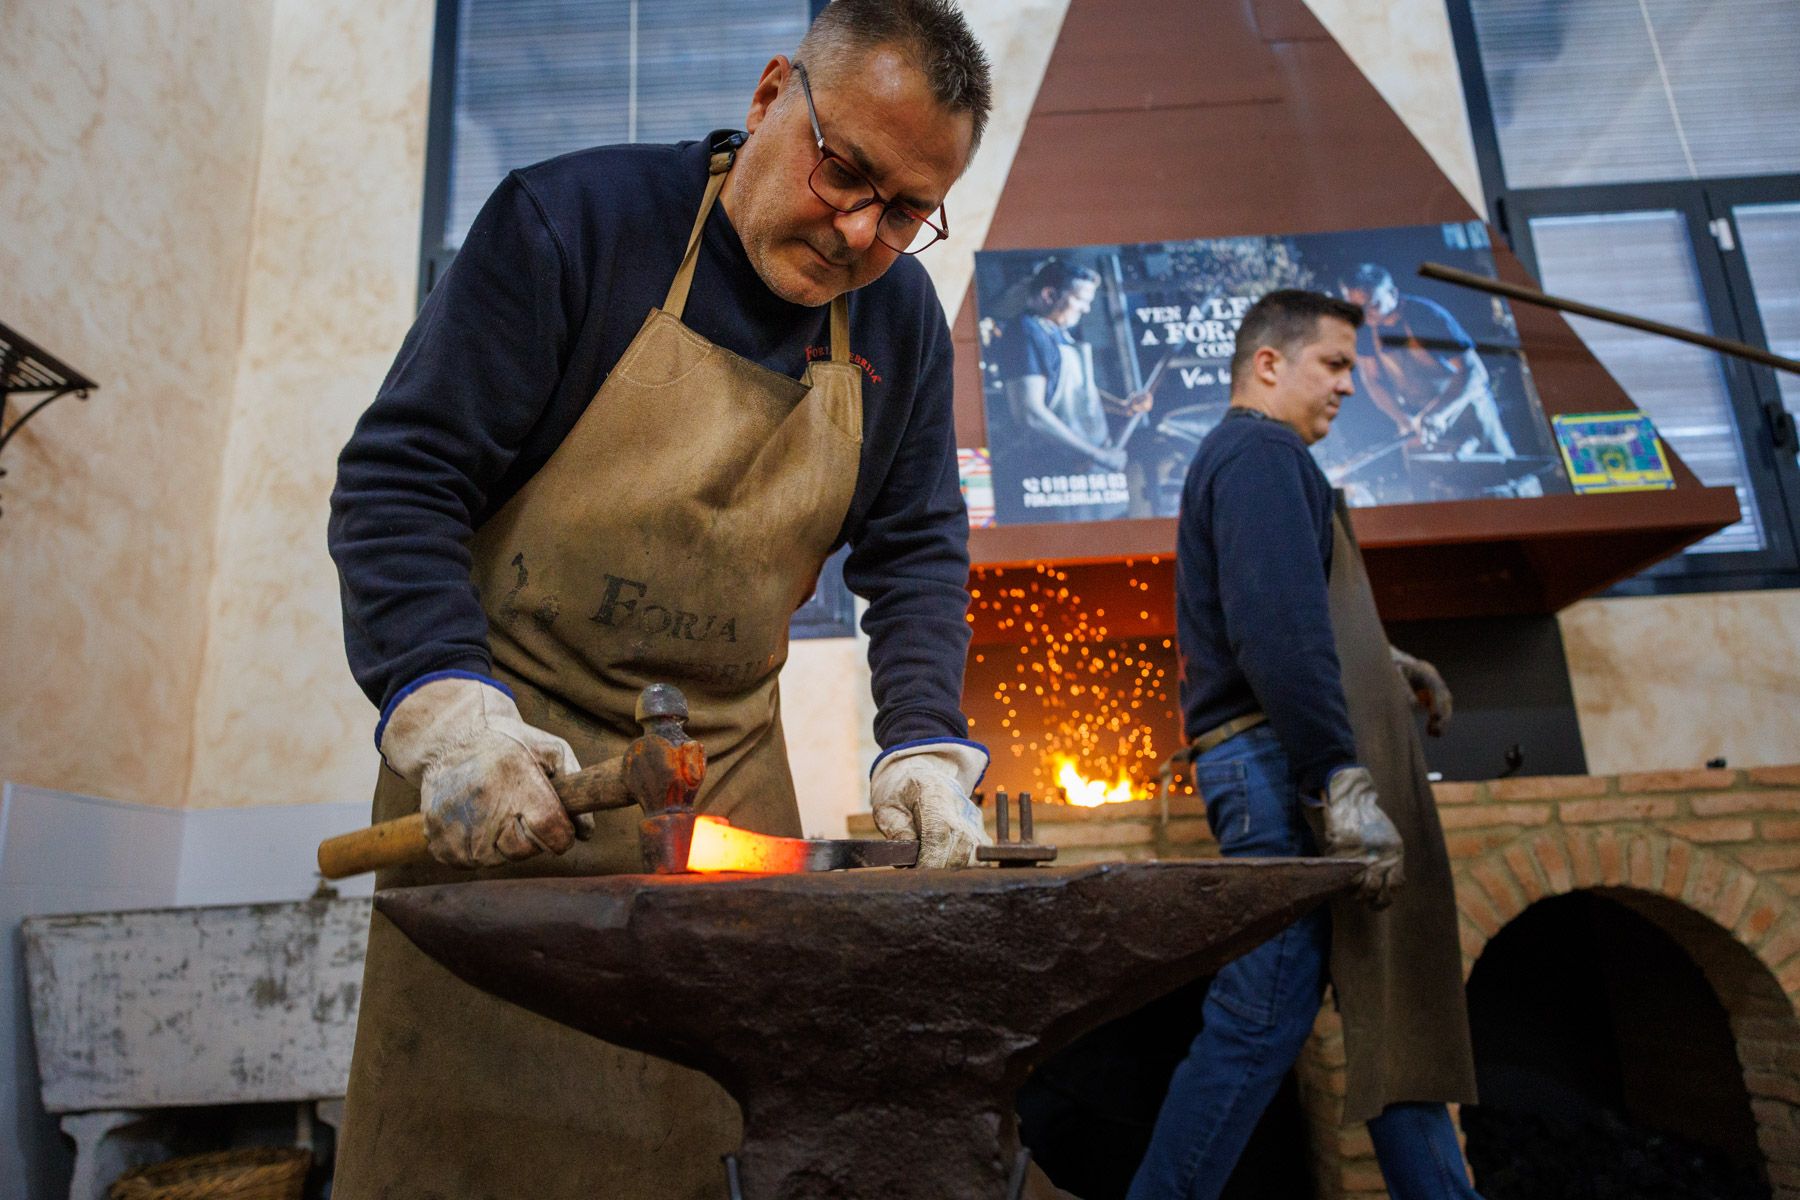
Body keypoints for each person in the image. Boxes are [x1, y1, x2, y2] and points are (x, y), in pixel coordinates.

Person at [325, 5, 994, 1197]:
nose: (856, 230)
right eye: (844, 172)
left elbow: (918, 546)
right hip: (505, 774)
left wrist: (927, 742)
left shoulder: (897, 324)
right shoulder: (572, 224)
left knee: (706, 1149)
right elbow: (401, 478)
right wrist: (444, 712)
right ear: (769, 94)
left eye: (903, 214)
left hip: (725, 805)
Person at [1129, 290, 1482, 1200]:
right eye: (1335, 364)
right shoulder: (1258, 449)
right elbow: (1274, 627)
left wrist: (1379, 658)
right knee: (1260, 1020)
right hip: (1279, 771)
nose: (1351, 386)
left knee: (1392, 1017)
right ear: (1269, 364)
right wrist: (1340, 776)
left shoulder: (1261, 458)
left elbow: (1292, 608)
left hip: (1277, 762)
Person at [988, 259, 1147, 523]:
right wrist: (1097, 455)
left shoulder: (1056, 332)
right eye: (1081, 300)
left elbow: (1077, 391)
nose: (1085, 309)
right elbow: (1031, 413)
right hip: (1059, 472)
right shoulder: (1025, 334)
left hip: (1090, 469)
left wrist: (1121, 405)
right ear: (1049, 295)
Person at [1340, 263, 1516, 459]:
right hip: (1419, 421)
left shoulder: (1426, 315)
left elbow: (1474, 373)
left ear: (1393, 293)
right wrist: (1404, 420)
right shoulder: (1363, 330)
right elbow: (1373, 381)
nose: (1364, 314)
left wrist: (1438, 413)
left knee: (1503, 476)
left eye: (1373, 305)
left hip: (1464, 410)